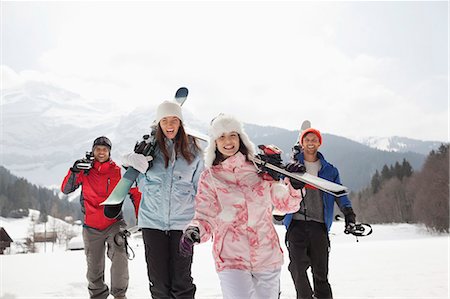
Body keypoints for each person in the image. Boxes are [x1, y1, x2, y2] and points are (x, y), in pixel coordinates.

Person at [179, 114, 305, 299]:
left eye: (232, 135)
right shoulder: (210, 177)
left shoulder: (260, 170)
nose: (228, 141)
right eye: (222, 136)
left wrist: (293, 186)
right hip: (231, 258)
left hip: (266, 254)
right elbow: (205, 215)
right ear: (215, 142)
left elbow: (285, 205)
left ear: (240, 138)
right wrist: (195, 231)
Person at [121, 100, 204, 299]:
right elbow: (136, 183)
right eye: (164, 120)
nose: (169, 125)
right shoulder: (150, 151)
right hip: (152, 223)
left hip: (182, 225)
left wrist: (199, 222)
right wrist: (130, 162)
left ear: (181, 123)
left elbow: (200, 190)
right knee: (158, 284)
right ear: (158, 124)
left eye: (174, 120)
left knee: (182, 282)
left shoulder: (195, 152)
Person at [61, 136, 140, 299]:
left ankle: (119, 295)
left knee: (119, 255)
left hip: (114, 223)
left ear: (109, 152)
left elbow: (135, 193)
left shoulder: (118, 171)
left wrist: (142, 218)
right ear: (93, 151)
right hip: (91, 226)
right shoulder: (85, 170)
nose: (101, 152)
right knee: (94, 267)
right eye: (98, 149)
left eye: (105, 149)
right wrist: (74, 170)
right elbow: (66, 189)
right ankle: (97, 295)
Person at [282, 128, 356, 299]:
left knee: (320, 273)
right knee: (297, 268)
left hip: (319, 225)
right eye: (307, 139)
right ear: (302, 143)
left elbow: (340, 194)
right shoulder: (292, 166)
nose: (311, 142)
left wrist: (348, 213)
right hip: (296, 224)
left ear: (319, 143)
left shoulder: (329, 170)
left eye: (314, 139)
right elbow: (281, 188)